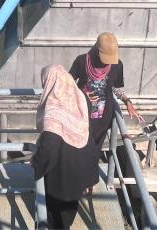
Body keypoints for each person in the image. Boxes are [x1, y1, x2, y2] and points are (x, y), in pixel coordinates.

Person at [32, 64, 99, 229]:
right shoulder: (81, 97)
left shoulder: (54, 111)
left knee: (55, 216)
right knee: (68, 211)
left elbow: (49, 146)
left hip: (63, 177)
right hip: (82, 168)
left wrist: (36, 165)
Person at [69, 32, 144, 161]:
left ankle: (90, 171)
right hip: (81, 113)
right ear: (97, 51)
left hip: (103, 118)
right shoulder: (81, 61)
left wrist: (127, 102)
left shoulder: (117, 65)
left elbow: (116, 88)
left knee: (95, 150)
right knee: (77, 148)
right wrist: (82, 93)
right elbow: (68, 84)